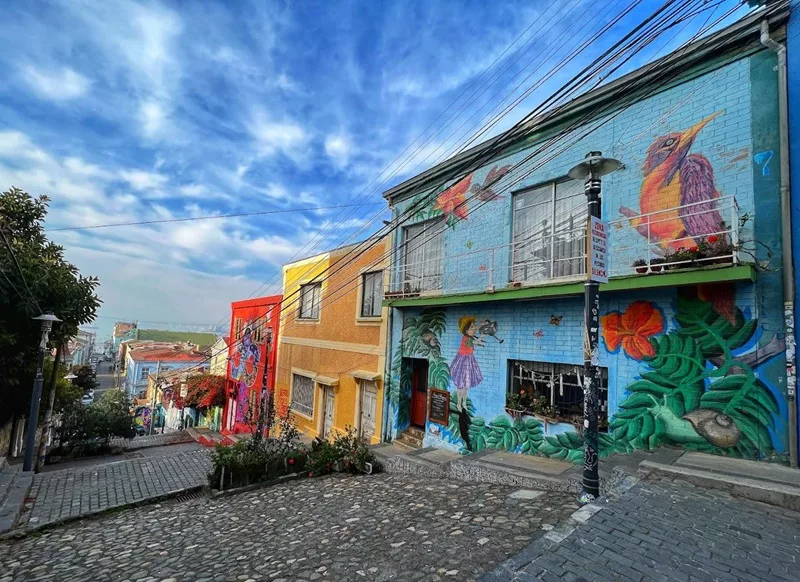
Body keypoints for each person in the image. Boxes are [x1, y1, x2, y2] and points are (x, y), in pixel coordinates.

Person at [450, 316, 484, 412]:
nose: (474, 329)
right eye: (472, 327)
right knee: (461, 384)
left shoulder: (469, 335)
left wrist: (481, 324)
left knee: (466, 385)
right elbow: (475, 342)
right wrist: (482, 336)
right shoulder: (467, 339)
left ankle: (463, 402)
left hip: (469, 361)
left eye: (474, 327)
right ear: (467, 330)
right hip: (463, 361)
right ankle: (458, 403)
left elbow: (475, 329)